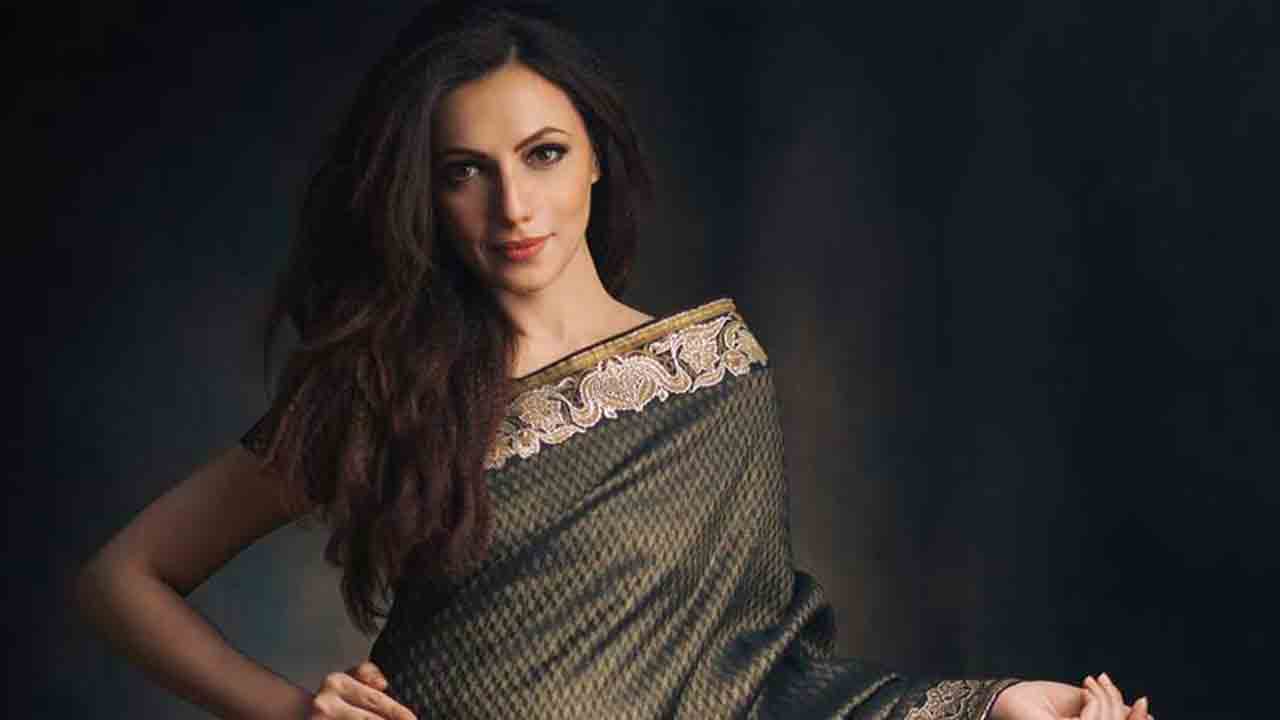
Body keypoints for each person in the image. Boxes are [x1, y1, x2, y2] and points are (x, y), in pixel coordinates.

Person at [75, 2, 1155, 719]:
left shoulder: (713, 381)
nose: (514, 205)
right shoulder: (385, 388)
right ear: (424, 195)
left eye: (542, 154)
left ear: (595, 154)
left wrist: (993, 706)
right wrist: (288, 713)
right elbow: (121, 581)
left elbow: (763, 684)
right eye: (465, 171)